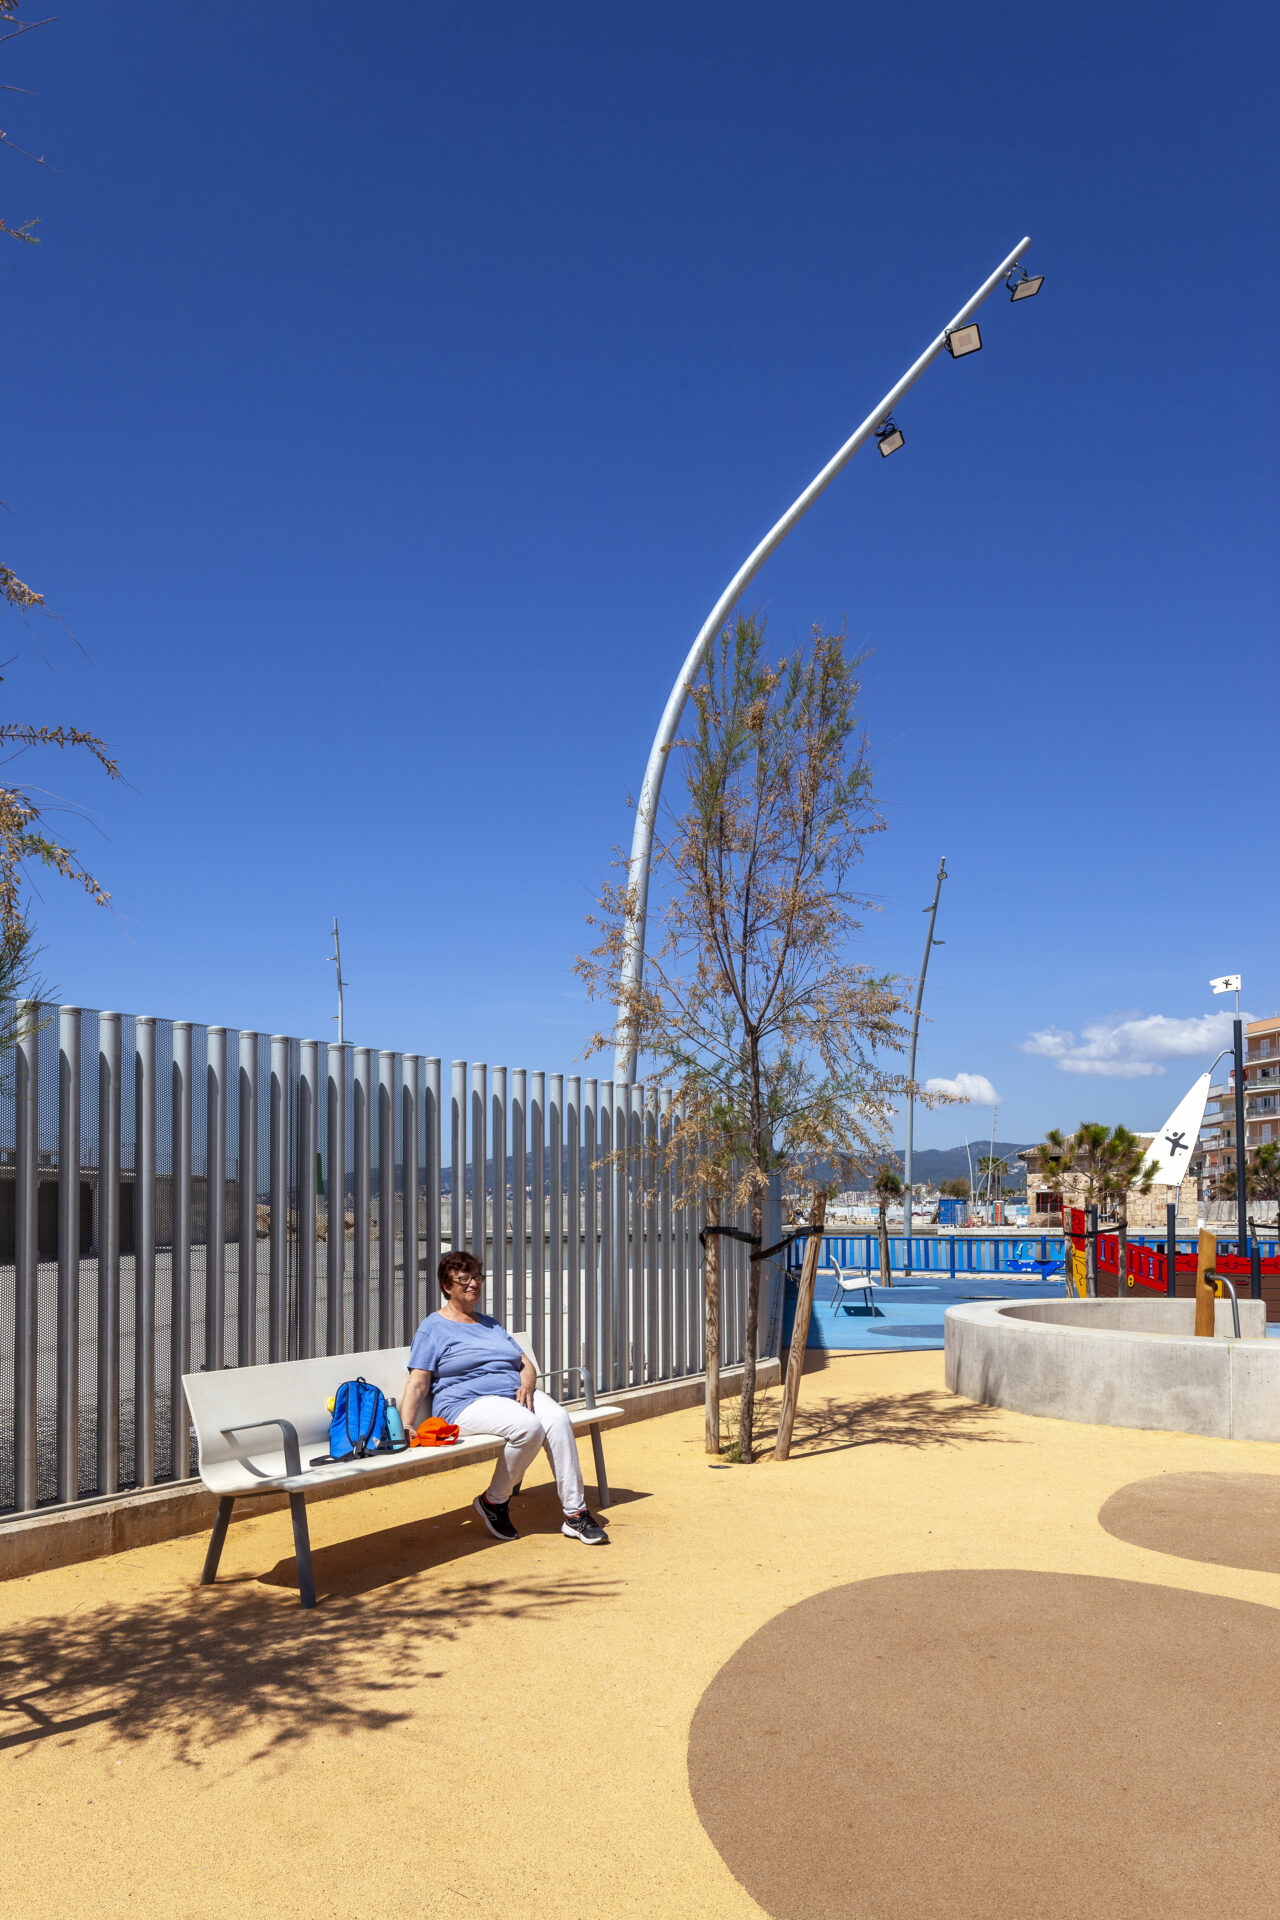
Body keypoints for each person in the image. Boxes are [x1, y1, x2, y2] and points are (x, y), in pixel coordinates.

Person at [401, 1250, 608, 1546]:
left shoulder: (491, 1324)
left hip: (513, 1396)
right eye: (465, 1278)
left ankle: (576, 1514)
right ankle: (494, 1501)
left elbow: (525, 1363)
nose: (474, 1283)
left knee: (559, 1419)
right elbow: (418, 1380)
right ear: (447, 1286)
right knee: (528, 1427)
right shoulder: (433, 1328)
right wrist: (406, 1424)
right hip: (465, 1403)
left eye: (477, 1277)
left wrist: (526, 1384)